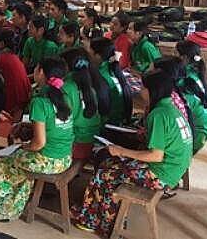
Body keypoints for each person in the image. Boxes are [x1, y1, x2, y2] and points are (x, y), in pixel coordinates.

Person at [73, 69, 193, 236]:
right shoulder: (170, 107)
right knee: (109, 165)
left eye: (143, 88)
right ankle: (95, 213)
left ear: (153, 91)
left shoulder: (158, 115)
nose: (140, 91)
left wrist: (121, 151)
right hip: (174, 168)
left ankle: (101, 222)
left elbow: (155, 156)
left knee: (105, 173)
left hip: (161, 174)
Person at [0, 56, 73, 221]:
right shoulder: (65, 96)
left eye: (36, 69)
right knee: (20, 165)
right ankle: (12, 208)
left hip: (47, 159)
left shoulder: (40, 101)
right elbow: (52, 126)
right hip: (65, 157)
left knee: (0, 161)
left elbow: (39, 143)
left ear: (41, 73)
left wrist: (24, 147)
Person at [60, 47, 105, 160]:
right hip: (94, 141)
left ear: (66, 66)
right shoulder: (92, 81)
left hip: (77, 146)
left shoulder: (66, 87)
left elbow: (62, 124)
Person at [175, 40, 207, 154]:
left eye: (175, 53)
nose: (173, 56)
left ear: (184, 58)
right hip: (201, 131)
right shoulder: (196, 72)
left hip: (195, 135)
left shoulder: (186, 81)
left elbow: (176, 108)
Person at [90, 37, 133, 126]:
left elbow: (102, 108)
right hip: (121, 121)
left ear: (97, 56)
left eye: (90, 51)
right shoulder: (114, 69)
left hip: (108, 124)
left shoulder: (100, 76)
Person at [0, 30, 32, 117]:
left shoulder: (1, 58)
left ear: (2, 43)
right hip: (24, 94)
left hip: (15, 99)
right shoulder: (13, 56)